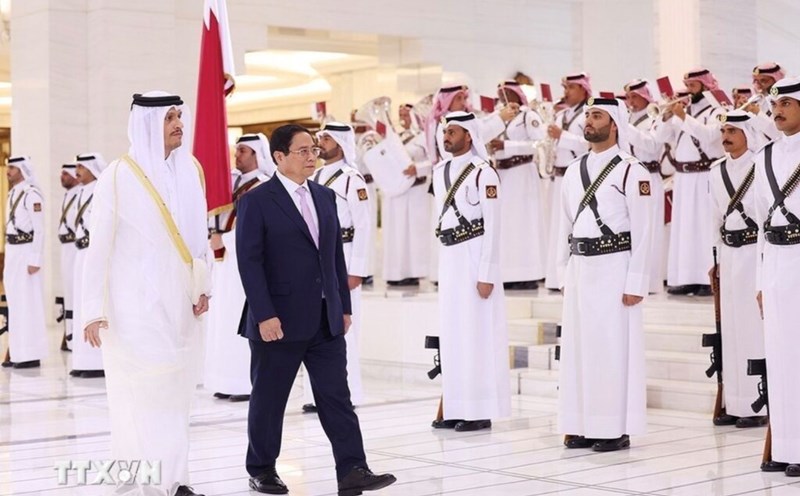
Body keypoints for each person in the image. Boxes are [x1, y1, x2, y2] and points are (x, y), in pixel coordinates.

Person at [236, 124, 396, 495]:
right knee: (269, 399)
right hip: (278, 321)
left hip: (326, 319)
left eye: (313, 150)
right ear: (279, 157)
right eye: (302, 151)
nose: (312, 157)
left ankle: (353, 468)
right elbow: (249, 262)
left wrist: (342, 304)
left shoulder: (325, 197)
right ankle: (261, 469)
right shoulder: (257, 201)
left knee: (336, 398)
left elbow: (333, 256)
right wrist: (264, 314)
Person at [81, 91, 210, 496]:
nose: (177, 123)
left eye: (178, 115)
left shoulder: (191, 168)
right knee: (148, 391)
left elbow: (199, 239)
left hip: (182, 303)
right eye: (168, 117)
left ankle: (169, 476)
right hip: (133, 305)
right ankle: (169, 484)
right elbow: (97, 246)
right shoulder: (119, 175)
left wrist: (204, 286)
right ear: (147, 123)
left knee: (176, 393)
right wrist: (92, 309)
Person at [555, 97, 653, 452]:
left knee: (610, 349)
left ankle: (612, 428)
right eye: (587, 116)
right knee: (579, 349)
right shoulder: (573, 170)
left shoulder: (632, 170)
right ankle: (580, 423)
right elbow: (563, 224)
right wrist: (562, 273)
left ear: (615, 124)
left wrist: (637, 281)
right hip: (580, 266)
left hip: (615, 268)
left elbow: (644, 231)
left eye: (597, 115)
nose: (589, 121)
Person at [430, 111, 511, 432]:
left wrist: (487, 272)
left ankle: (478, 409)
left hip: (475, 254)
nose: (447, 136)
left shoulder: (483, 172)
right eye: (445, 131)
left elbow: (494, 224)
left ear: (469, 136)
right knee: (453, 333)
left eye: (453, 131)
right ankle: (455, 405)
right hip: (449, 255)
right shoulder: (439, 171)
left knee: (477, 333)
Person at [301, 122, 371, 413]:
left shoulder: (352, 179)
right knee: (315, 326)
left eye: (325, 139)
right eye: (319, 138)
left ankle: (347, 392)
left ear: (340, 143)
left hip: (345, 255)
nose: (320, 144)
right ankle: (314, 394)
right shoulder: (314, 175)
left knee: (344, 329)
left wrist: (357, 269)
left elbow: (364, 225)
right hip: (318, 258)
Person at [708, 110, 766, 428]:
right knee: (729, 328)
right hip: (728, 255)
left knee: (752, 325)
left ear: (749, 133)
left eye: (733, 130)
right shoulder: (716, 172)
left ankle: (758, 404)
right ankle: (735, 401)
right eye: (724, 130)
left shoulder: (761, 166)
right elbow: (714, 218)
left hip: (754, 253)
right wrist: (714, 260)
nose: (726, 136)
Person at [754, 76, 800, 477]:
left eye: (786, 103)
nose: (778, 110)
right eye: (775, 104)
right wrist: (759, 279)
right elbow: (759, 224)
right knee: (782, 358)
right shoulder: (764, 155)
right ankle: (786, 447)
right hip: (777, 264)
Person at [204, 133, 272, 402]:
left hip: (246, 261)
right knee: (222, 320)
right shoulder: (228, 183)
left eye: (243, 150)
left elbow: (262, 229)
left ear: (257, 154)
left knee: (239, 320)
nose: (237, 155)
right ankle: (224, 380)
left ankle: (244, 383)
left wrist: (226, 239)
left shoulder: (265, 186)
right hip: (222, 262)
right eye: (237, 149)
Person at [656, 68, 724, 296]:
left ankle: (707, 278)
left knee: (705, 226)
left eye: (693, 85)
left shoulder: (717, 110)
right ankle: (685, 277)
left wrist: (684, 117)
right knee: (684, 228)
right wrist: (667, 118)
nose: (688, 90)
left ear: (705, 86)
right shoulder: (682, 112)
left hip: (705, 173)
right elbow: (660, 139)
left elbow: (711, 136)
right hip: (683, 178)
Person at [486, 80, 547, 290]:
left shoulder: (527, 116)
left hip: (522, 174)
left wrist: (507, 145)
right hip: (502, 175)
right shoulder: (498, 118)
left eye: (506, 95)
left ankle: (528, 274)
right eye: (500, 96)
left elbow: (540, 144)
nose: (502, 99)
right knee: (506, 224)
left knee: (523, 222)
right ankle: (509, 273)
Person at [544, 73, 591, 291]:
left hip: (578, 178)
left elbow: (589, 144)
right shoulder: (561, 114)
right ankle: (556, 278)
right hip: (558, 176)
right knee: (557, 228)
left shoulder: (588, 115)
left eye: (571, 87)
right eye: (565, 87)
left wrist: (562, 136)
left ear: (583, 90)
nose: (566, 91)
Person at [2, 156, 47, 369]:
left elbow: (39, 229)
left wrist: (35, 258)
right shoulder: (12, 193)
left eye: (12, 168)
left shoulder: (31, 195)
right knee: (16, 304)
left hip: (27, 252)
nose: (7, 171)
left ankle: (31, 354)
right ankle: (17, 352)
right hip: (12, 252)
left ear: (21, 170)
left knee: (28, 304)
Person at [625, 79, 667, 294]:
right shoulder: (628, 117)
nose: (631, 101)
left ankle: (650, 281)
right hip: (628, 175)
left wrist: (626, 127)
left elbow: (652, 145)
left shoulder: (656, 117)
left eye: (634, 96)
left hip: (649, 176)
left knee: (649, 229)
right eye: (628, 97)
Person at [382, 103, 431, 287]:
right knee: (396, 231)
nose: (403, 117)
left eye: (406, 114)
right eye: (400, 114)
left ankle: (414, 272)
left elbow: (435, 162)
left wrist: (417, 169)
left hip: (416, 191)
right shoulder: (397, 138)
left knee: (414, 233)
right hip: (396, 190)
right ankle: (396, 273)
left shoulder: (423, 137)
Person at [70, 153, 108, 379]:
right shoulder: (81, 191)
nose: (77, 171)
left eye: (81, 167)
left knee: (93, 302)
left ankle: (96, 362)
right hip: (79, 252)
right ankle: (82, 359)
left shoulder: (100, 189)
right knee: (79, 302)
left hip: (93, 252)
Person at [57, 163, 80, 351]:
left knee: (75, 290)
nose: (62, 176)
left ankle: (74, 336)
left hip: (76, 247)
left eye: (66, 173)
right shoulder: (68, 195)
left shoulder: (81, 194)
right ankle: (69, 334)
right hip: (66, 248)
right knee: (68, 291)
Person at [748, 62, 785, 142]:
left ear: (775, 80)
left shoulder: (785, 101)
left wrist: (758, 113)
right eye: (757, 81)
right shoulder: (756, 100)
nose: (759, 85)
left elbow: (780, 134)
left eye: (763, 81)